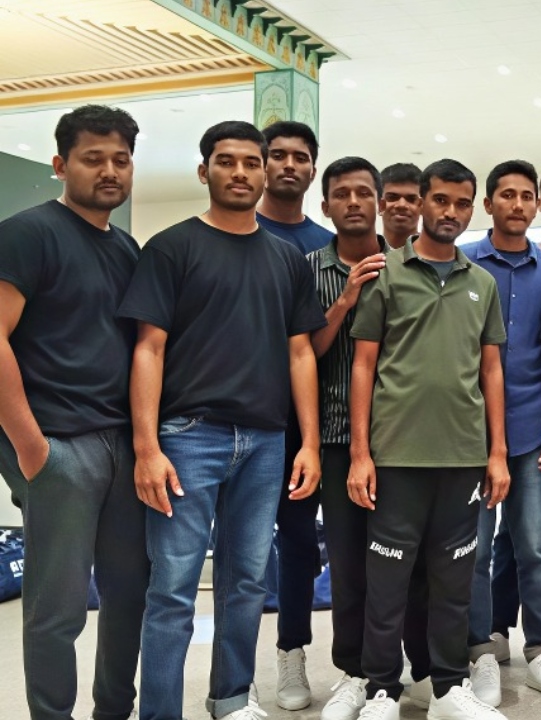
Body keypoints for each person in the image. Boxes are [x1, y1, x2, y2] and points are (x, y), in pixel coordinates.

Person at [118, 120, 326, 720]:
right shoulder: (172, 247)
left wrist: (309, 443)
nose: (240, 172)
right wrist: (146, 447)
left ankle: (232, 697)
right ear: (204, 170)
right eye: (226, 161)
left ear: (265, 172)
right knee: (173, 587)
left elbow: (300, 353)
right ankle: (161, 711)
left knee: (247, 582)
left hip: (265, 441)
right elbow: (149, 348)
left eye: (251, 162)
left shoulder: (286, 259)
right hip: (188, 438)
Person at [0, 104, 149, 720]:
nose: (109, 171)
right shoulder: (27, 233)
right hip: (60, 446)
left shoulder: (128, 248)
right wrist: (33, 449)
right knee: (57, 609)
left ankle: (114, 710)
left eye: (120, 160)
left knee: (128, 596)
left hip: (124, 446)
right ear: (61, 165)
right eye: (93, 159)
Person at [347, 158, 509, 720]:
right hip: (395, 456)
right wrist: (360, 454)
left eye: (462, 203)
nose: (451, 212)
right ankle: (381, 689)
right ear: (420, 201)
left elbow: (491, 370)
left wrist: (497, 453)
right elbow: (363, 365)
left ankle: (447, 688)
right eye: (441, 200)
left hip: (463, 457)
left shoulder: (482, 283)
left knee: (453, 582)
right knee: (387, 582)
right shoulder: (385, 274)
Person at [303, 156, 435, 719]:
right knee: (351, 563)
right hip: (338, 438)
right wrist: (345, 301)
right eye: (342, 194)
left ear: (378, 202)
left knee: (415, 564)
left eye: (364, 192)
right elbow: (302, 353)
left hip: (405, 439)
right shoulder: (308, 269)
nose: (353, 202)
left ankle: (422, 670)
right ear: (326, 205)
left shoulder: (409, 263)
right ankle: (356, 673)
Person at [461, 160, 541, 706]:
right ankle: (482, 650)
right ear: (488, 204)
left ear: (534, 205)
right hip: (469, 435)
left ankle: (539, 650)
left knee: (534, 547)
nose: (517, 204)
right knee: (474, 551)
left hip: (533, 430)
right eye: (505, 195)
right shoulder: (464, 263)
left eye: (525, 196)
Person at [255, 119, 332, 710]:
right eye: (276, 155)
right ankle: (262, 663)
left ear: (312, 168)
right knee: (260, 549)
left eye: (299, 157)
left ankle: (305, 651)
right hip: (251, 420)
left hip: (324, 423)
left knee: (311, 544)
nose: (288, 165)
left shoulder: (327, 244)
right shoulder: (237, 232)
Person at [257, 120, 331, 254]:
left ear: (312, 174)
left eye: (301, 159)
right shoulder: (234, 231)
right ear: (261, 166)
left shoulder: (330, 246)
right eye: (278, 156)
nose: (289, 165)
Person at [379, 162, 422, 250]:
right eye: (392, 197)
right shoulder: (361, 254)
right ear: (379, 205)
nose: (402, 205)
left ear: (422, 206)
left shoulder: (440, 254)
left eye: (411, 199)